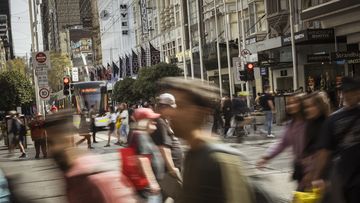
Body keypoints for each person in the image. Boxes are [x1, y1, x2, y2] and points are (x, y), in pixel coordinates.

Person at [159, 77, 253, 203]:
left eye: (180, 106)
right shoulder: (192, 153)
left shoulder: (222, 160)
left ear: (200, 113)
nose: (172, 112)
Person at [310, 77, 360, 203]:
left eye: (352, 91)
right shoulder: (333, 120)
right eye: (345, 92)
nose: (349, 95)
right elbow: (324, 151)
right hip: (344, 178)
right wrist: (317, 176)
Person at [257, 93, 307, 189]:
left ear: (302, 103)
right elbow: (282, 143)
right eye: (289, 103)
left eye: (295, 102)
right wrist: (266, 157)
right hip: (299, 167)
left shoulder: (310, 122)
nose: (291, 105)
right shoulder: (290, 124)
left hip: (314, 168)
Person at [129, 108, 165, 202]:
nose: (155, 122)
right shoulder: (140, 135)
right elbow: (142, 159)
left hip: (147, 188)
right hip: (148, 190)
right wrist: (152, 182)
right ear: (143, 121)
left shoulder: (141, 134)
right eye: (151, 120)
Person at [152, 93, 183, 201]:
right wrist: (172, 169)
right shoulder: (160, 122)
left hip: (167, 171)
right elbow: (163, 148)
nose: (174, 111)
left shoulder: (163, 120)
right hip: (167, 172)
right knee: (181, 197)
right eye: (172, 108)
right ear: (164, 107)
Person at [299, 91, 331, 190]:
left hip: (324, 174)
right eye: (306, 107)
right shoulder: (311, 123)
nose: (307, 110)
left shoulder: (325, 125)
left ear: (320, 107)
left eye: (311, 106)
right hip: (312, 172)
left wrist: (313, 174)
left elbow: (323, 153)